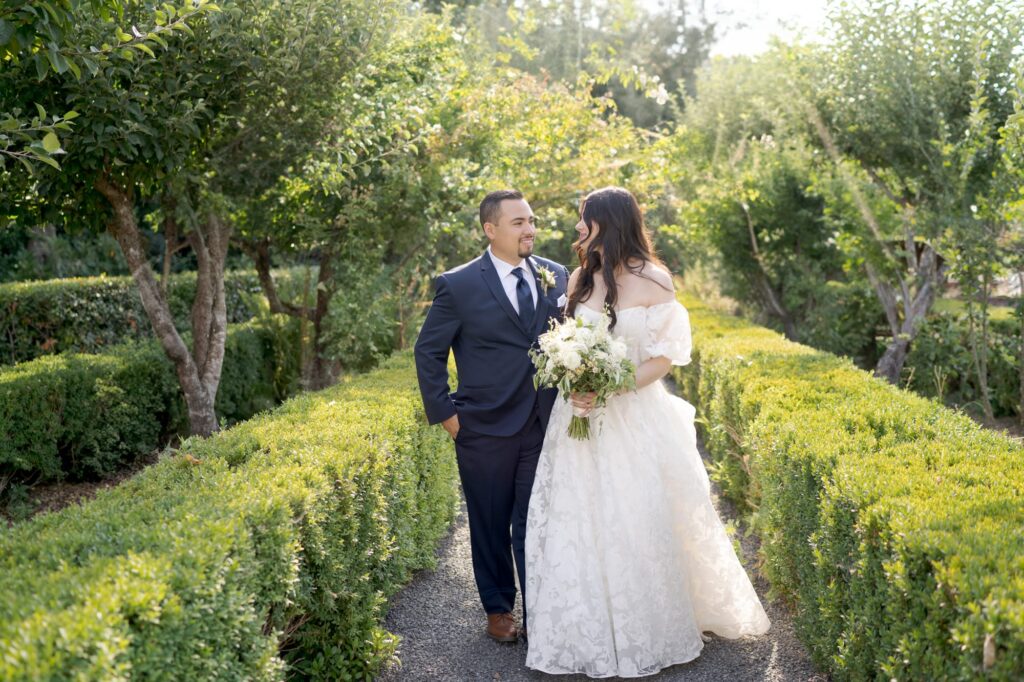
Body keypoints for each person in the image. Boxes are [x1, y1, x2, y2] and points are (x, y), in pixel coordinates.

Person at [524, 186, 771, 677]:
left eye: (584, 220)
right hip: (577, 417)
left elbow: (663, 358)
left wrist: (611, 389)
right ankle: (582, 627)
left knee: (636, 516)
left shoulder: (654, 280)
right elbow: (566, 342)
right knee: (578, 519)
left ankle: (649, 623)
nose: (577, 229)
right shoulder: (579, 278)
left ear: (609, 223)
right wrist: (574, 381)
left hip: (633, 417)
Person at [414, 189, 570, 643]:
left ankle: (540, 608)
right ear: (491, 229)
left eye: (532, 220)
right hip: (481, 426)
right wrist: (447, 415)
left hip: (542, 422)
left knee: (535, 518)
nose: (530, 229)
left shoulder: (554, 275)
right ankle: (499, 608)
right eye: (519, 222)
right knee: (488, 520)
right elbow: (428, 352)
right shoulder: (458, 284)